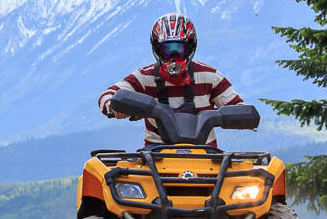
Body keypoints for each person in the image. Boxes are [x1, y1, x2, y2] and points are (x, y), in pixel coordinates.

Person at [97, 12, 243, 148]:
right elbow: (107, 95)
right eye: (167, 50)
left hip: (206, 156)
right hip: (156, 156)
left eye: (179, 50)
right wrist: (114, 106)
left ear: (190, 48)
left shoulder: (210, 76)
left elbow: (238, 107)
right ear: (157, 49)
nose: (173, 57)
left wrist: (240, 117)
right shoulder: (144, 77)